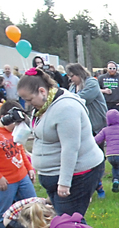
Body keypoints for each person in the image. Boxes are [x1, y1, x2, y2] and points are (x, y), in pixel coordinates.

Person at [18, 69, 105, 217]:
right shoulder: (44, 106)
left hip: (77, 175)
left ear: (42, 91)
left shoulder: (66, 108)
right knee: (63, 222)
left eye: (29, 99)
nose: (27, 104)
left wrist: (64, 182)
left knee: (69, 223)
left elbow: (70, 148)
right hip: (53, 176)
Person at [0, 101, 37, 228]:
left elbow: (21, 150)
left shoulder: (16, 133)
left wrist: (29, 168)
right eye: (15, 123)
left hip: (22, 176)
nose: (17, 126)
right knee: (3, 213)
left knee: (34, 207)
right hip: (6, 181)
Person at [93, 109, 119, 199]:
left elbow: (96, 140)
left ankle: (116, 180)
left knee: (115, 167)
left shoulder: (105, 130)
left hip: (110, 155)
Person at [66, 63, 108, 135]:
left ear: (79, 73)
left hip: (95, 124)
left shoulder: (92, 82)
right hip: (81, 124)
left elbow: (84, 99)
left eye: (72, 76)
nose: (70, 79)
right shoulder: (72, 87)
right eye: (69, 76)